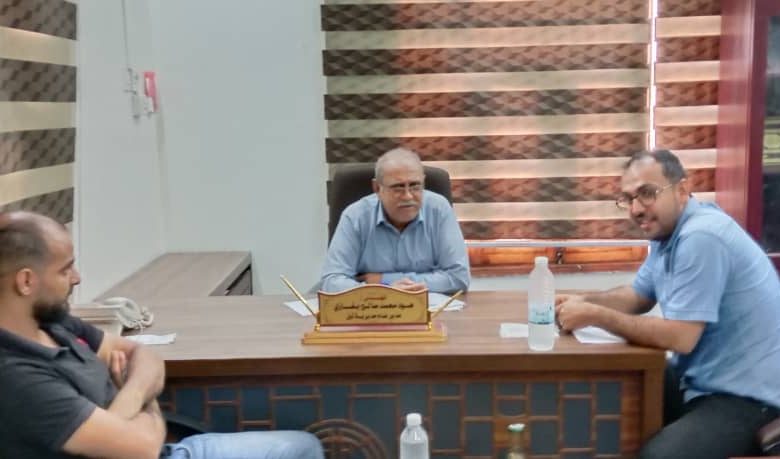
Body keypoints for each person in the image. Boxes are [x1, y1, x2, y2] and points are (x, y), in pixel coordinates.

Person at [0, 211, 324, 459]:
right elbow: (143, 448)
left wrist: (128, 399)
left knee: (302, 447)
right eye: (64, 269)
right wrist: (146, 400)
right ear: (26, 281)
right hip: (151, 446)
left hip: (156, 443)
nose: (77, 278)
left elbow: (144, 355)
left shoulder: (53, 323)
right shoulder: (18, 378)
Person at [555, 150, 780, 459]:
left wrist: (596, 315)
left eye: (647, 194)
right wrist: (584, 301)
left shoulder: (702, 237)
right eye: (628, 199)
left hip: (750, 397)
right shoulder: (668, 235)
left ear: (682, 190)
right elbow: (638, 296)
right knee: (616, 393)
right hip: (703, 380)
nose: (636, 209)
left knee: (658, 456)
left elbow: (680, 337)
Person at [321, 147, 470, 293]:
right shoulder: (355, 217)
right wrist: (383, 292)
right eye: (398, 187)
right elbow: (331, 281)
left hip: (429, 307)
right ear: (377, 188)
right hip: (371, 307)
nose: (408, 196)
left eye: (415, 186)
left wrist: (383, 281)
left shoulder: (438, 210)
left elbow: (459, 277)